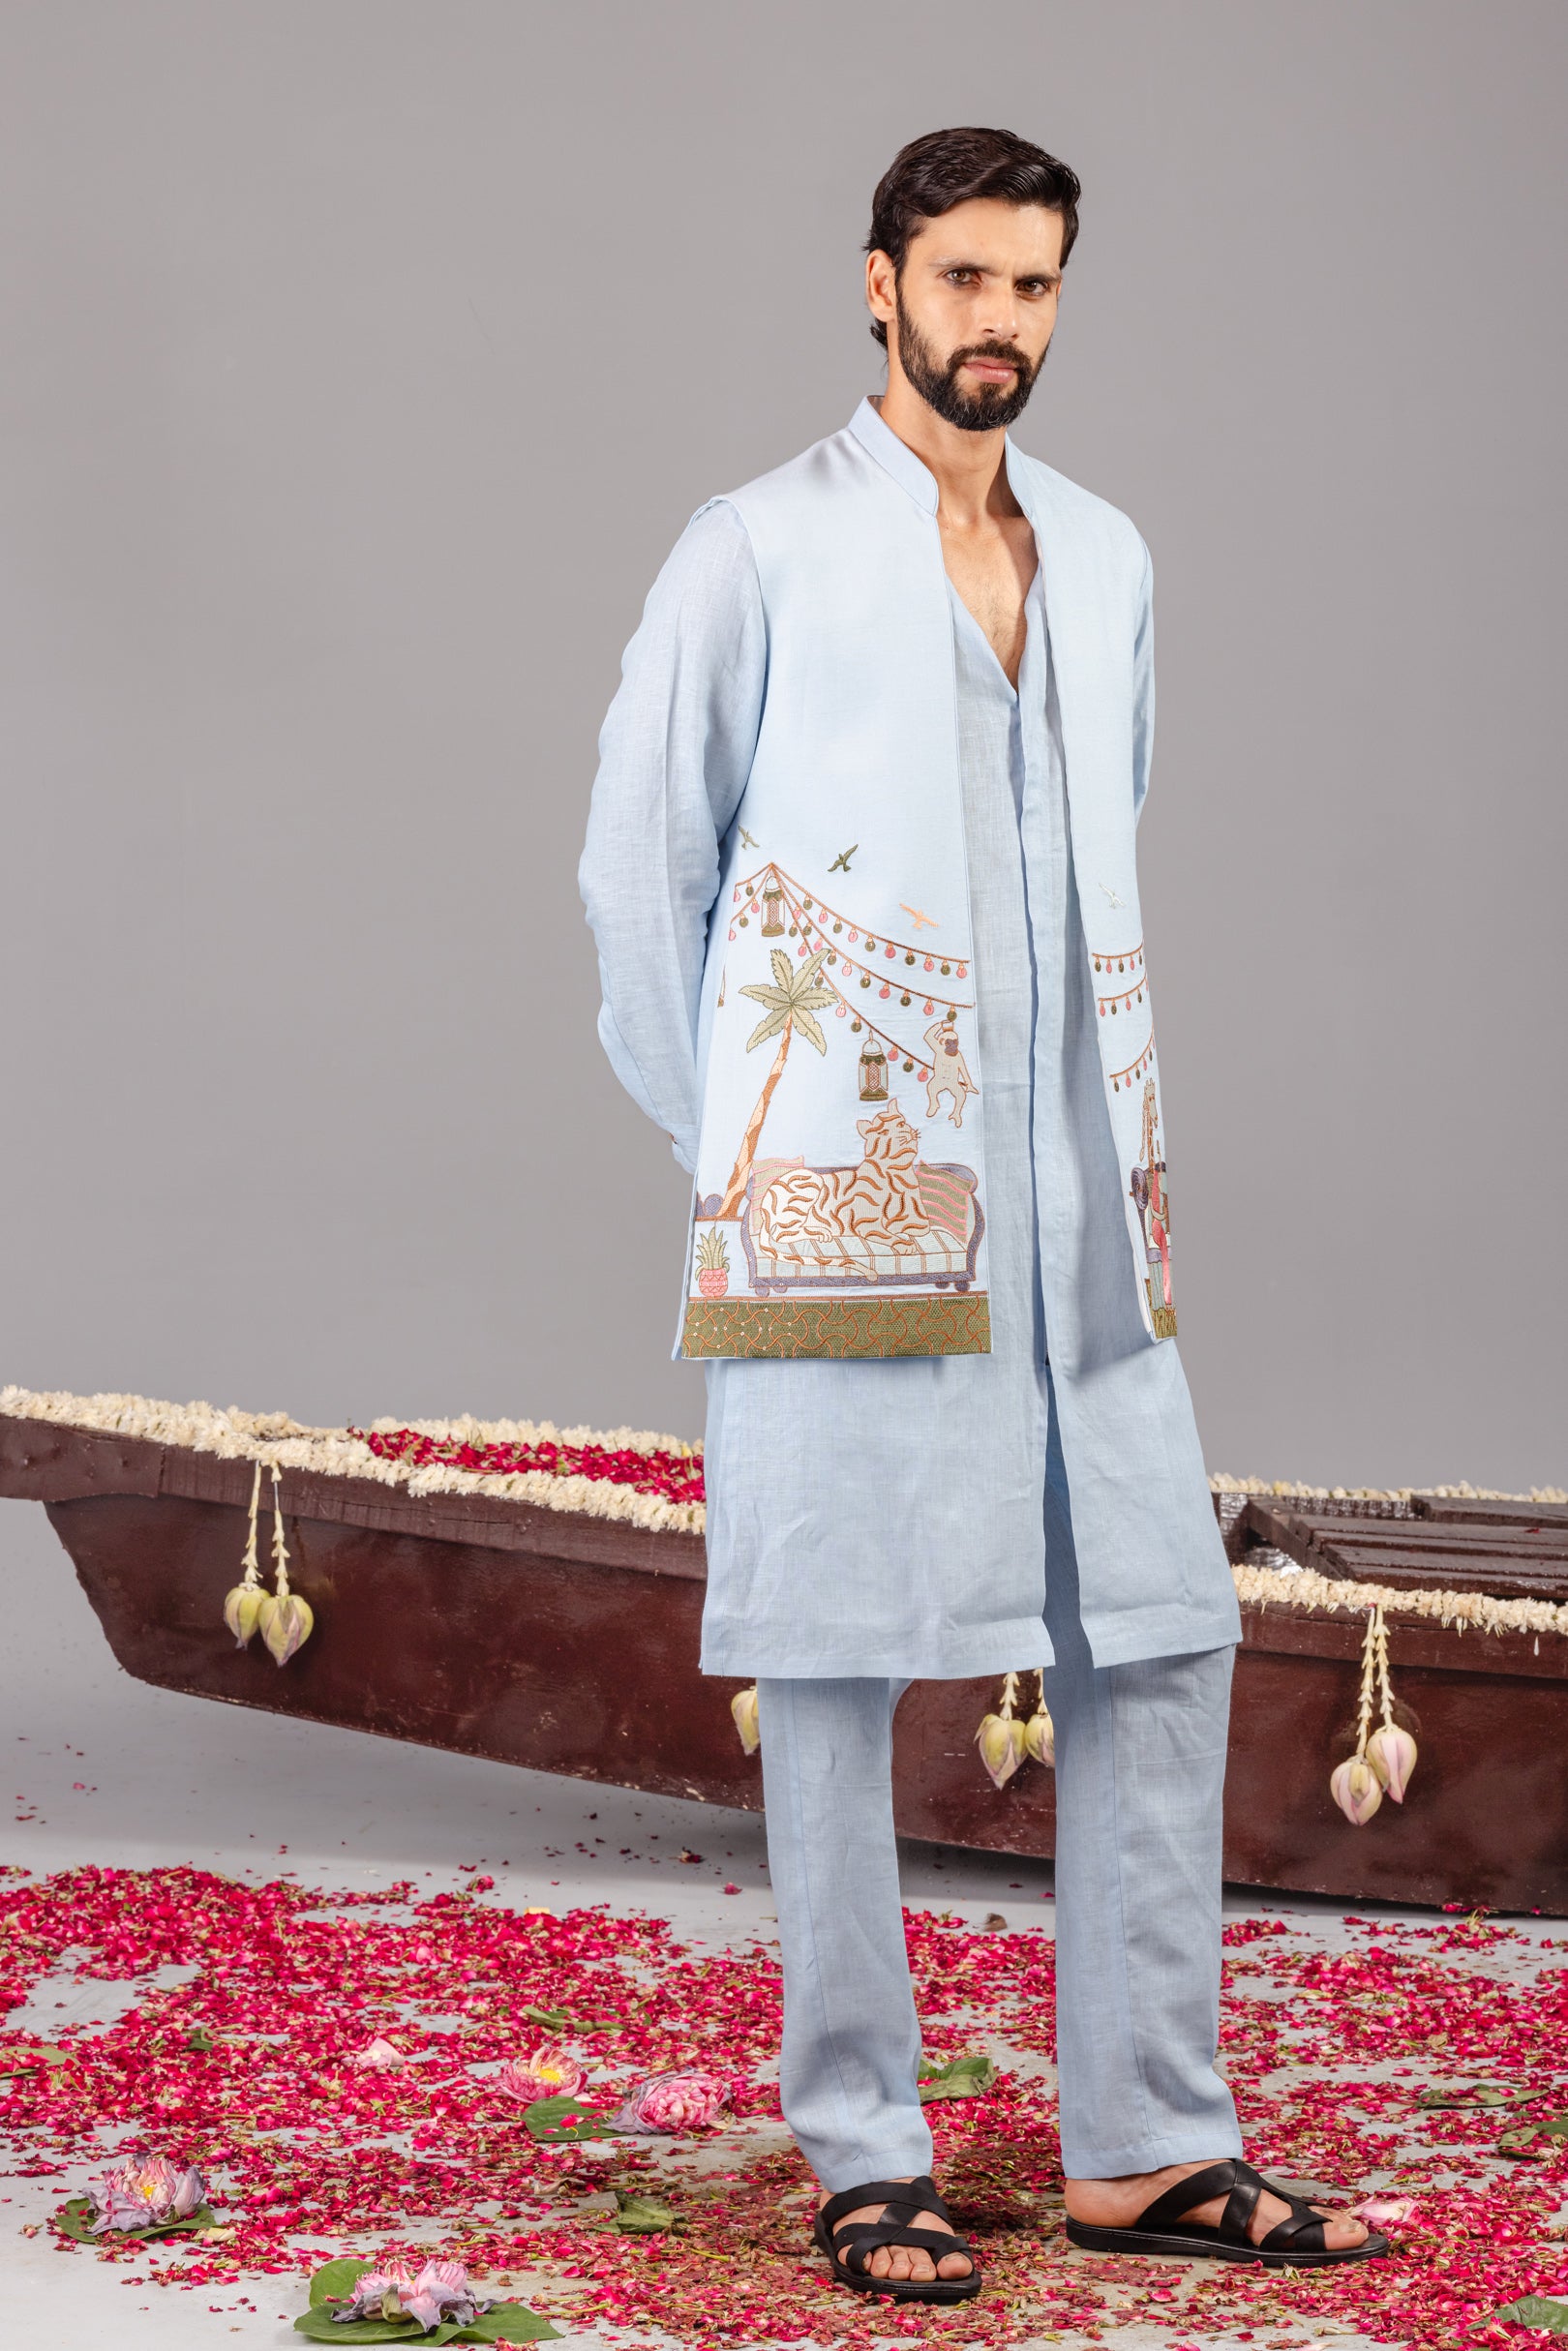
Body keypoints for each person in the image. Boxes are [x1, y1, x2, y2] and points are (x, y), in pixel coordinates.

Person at [579, 125, 1384, 2305]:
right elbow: (640, 882)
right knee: (836, 1666)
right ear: (881, 286)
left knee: (1165, 1634)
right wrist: (747, 1155)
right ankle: (865, 2149)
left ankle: (1150, 2143)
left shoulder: (1106, 557)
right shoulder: (752, 549)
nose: (998, 322)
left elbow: (1107, 820)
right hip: (848, 1206)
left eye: (1032, 285)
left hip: (1087, 1205)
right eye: (962, 280)